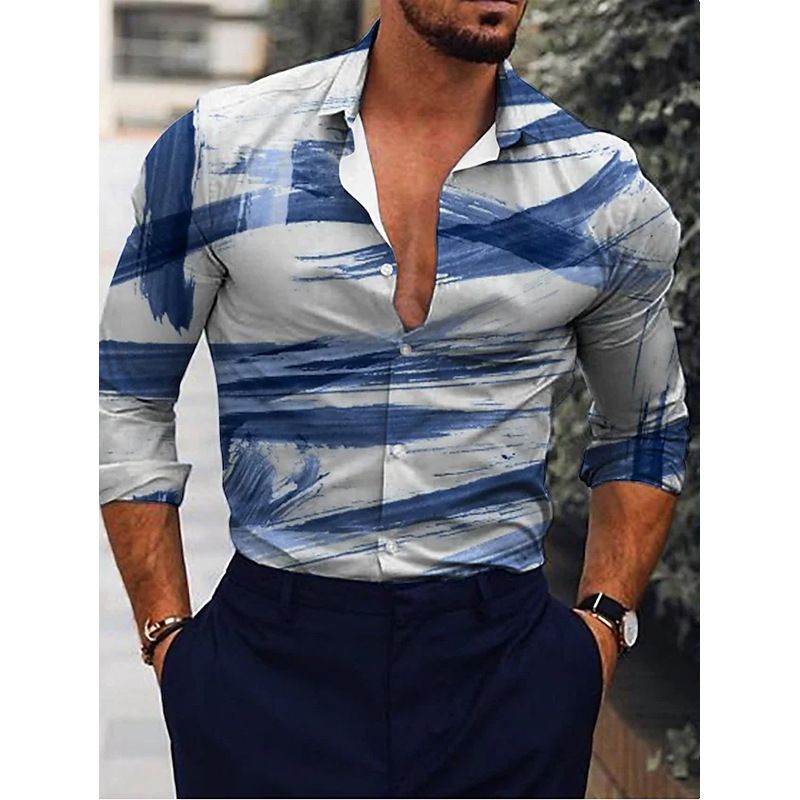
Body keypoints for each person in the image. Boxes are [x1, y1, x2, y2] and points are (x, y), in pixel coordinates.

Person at [99, 1, 690, 797]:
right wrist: (169, 636)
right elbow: (128, 395)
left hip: (507, 676)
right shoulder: (219, 150)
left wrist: (600, 634)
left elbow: (645, 428)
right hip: (266, 670)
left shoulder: (599, 188)